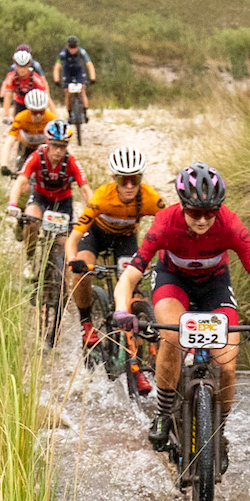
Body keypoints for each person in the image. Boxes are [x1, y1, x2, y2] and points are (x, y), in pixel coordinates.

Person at [112, 162, 250, 469]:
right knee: (171, 337)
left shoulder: (230, 224)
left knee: (228, 365)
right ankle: (164, 414)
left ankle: (217, 433)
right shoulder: (164, 223)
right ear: (182, 206)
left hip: (215, 286)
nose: (203, 219)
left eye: (211, 211)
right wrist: (121, 309)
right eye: (195, 211)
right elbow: (130, 276)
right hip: (173, 281)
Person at [67, 147, 160, 349]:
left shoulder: (149, 197)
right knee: (84, 270)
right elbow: (73, 237)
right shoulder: (101, 197)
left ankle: (140, 337)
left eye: (134, 180)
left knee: (133, 283)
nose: (128, 186)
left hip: (125, 239)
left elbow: (171, 223)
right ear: (114, 179)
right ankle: (86, 321)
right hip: (96, 236)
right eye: (122, 180)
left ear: (140, 179)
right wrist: (72, 260)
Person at [7, 124, 84, 277]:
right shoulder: (36, 156)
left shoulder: (72, 162)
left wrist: (94, 211)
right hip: (40, 199)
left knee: (64, 244)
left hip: (63, 203)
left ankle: (60, 280)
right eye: (55, 146)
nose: (59, 151)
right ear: (47, 142)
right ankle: (30, 260)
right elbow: (21, 181)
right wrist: (12, 204)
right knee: (31, 222)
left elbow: (85, 188)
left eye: (63, 147)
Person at [0, 87, 53, 178]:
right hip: (26, 149)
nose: (39, 116)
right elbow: (9, 142)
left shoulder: (50, 119)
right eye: (34, 112)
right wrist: (4, 165)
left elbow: (63, 142)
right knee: (22, 180)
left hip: (44, 149)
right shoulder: (21, 118)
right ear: (29, 110)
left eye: (41, 112)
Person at [0, 47, 47, 122]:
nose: (22, 70)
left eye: (24, 67)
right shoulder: (11, 77)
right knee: (18, 124)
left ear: (29, 66)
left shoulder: (36, 78)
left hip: (34, 106)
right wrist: (6, 115)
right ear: (15, 66)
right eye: (19, 67)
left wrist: (54, 116)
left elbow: (46, 97)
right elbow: (8, 96)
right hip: (19, 104)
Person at [55, 33, 96, 116]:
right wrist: (56, 79)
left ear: (77, 46)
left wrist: (93, 77)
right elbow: (57, 66)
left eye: (74, 47)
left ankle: (84, 111)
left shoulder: (82, 52)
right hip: (67, 72)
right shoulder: (63, 53)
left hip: (79, 71)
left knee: (82, 90)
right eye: (71, 47)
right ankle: (69, 112)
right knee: (67, 92)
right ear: (68, 47)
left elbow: (89, 64)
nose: (72, 49)